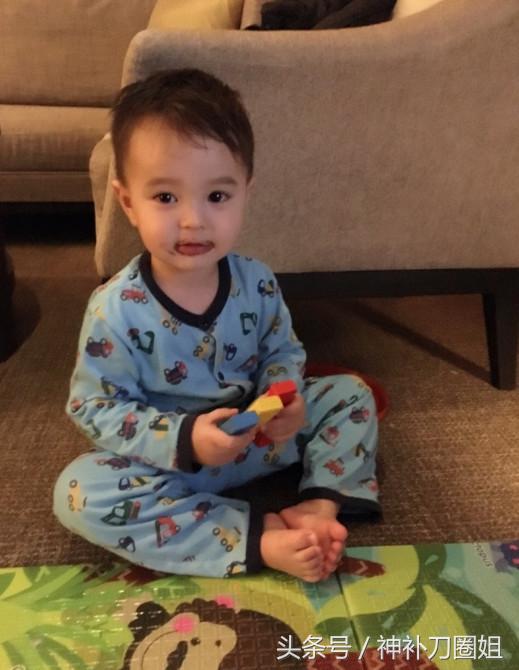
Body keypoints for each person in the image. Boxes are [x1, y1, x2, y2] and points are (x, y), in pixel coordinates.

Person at [53, 69, 380, 581]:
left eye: (217, 197)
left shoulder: (257, 281)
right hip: (172, 463)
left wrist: (284, 398)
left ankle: (317, 508)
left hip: (257, 439)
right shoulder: (114, 310)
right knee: (79, 491)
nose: (193, 220)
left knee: (350, 393)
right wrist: (183, 438)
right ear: (128, 202)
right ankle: (258, 537)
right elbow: (93, 408)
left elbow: (282, 352)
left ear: (245, 193)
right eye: (166, 197)